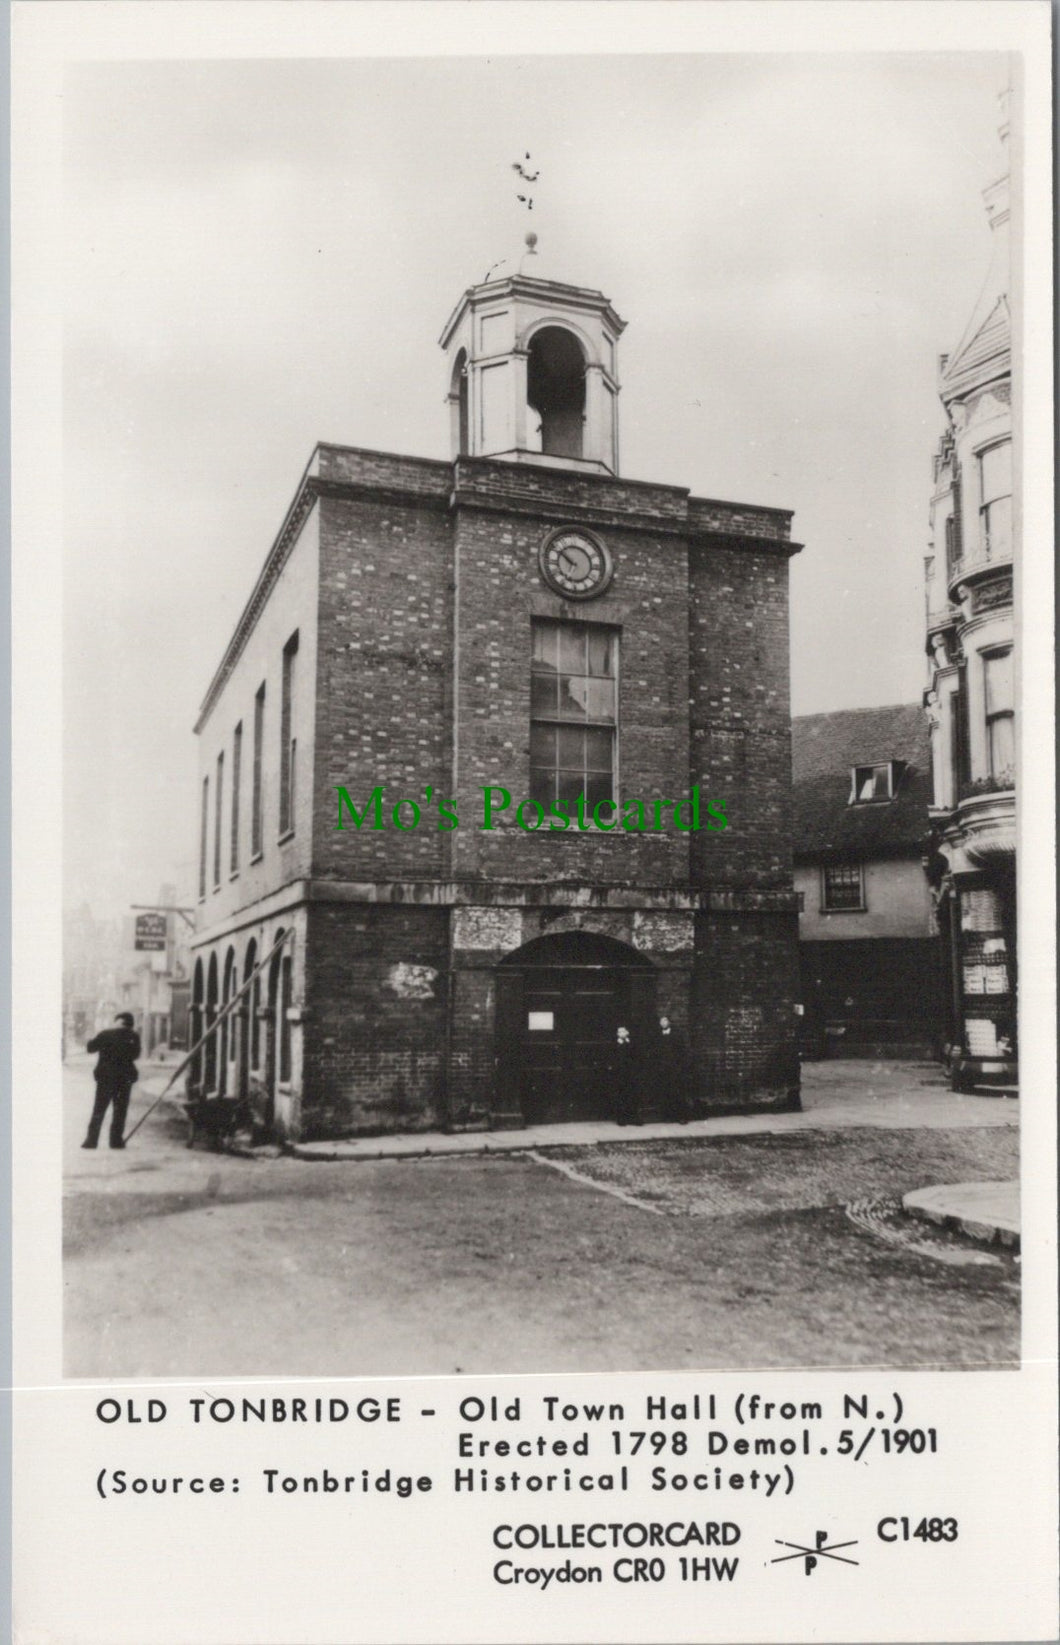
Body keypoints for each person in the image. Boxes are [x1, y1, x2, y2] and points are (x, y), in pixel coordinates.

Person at [82, 1012, 141, 1150]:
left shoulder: (105, 1034)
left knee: (99, 1109)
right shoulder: (134, 1036)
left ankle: (91, 1141)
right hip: (124, 1078)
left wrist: (92, 1039)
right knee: (120, 1110)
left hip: (106, 1078)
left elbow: (90, 1048)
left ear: (118, 1021)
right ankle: (115, 1141)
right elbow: (136, 1055)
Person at [657, 1015, 692, 1123]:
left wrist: (681, 1066)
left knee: (679, 1092)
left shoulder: (677, 1035)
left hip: (676, 1068)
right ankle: (668, 1116)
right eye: (661, 1021)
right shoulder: (658, 1036)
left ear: (669, 1022)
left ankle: (682, 1116)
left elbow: (683, 1051)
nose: (663, 1023)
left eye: (665, 1020)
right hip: (664, 1069)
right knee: (666, 1092)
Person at [613, 1024, 643, 1126]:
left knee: (633, 1096)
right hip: (620, 1075)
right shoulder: (615, 1045)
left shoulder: (632, 1044)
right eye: (619, 1032)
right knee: (621, 1096)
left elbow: (637, 1058)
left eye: (623, 1031)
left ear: (627, 1033)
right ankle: (621, 1119)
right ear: (617, 1034)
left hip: (631, 1074)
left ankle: (634, 1118)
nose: (622, 1033)